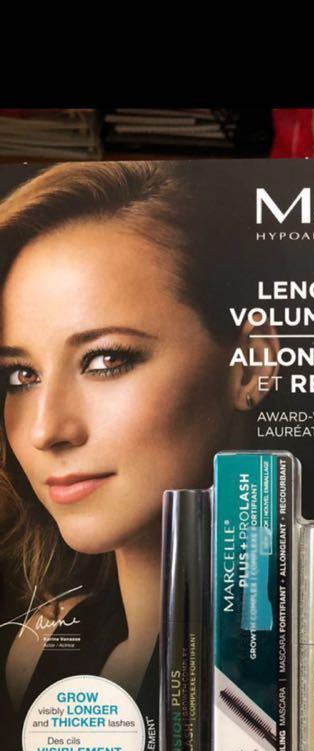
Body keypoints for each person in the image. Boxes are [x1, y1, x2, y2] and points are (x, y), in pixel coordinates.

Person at [0, 160, 277, 709]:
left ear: (249, 366)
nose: (46, 430)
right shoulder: (37, 649)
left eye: (106, 359)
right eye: (21, 376)